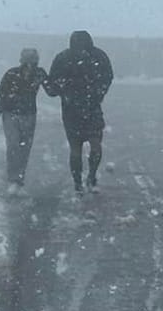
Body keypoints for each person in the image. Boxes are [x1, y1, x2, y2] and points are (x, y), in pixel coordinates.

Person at [45, 31, 115, 193]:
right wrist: (98, 92)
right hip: (90, 107)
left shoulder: (63, 58)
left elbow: (53, 87)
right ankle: (90, 176)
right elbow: (107, 76)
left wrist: (64, 90)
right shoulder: (98, 55)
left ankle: (79, 181)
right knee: (94, 145)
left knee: (76, 148)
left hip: (73, 109)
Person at [0, 48, 46, 188]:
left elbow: (51, 90)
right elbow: (0, 93)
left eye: (32, 61)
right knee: (14, 145)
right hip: (12, 113)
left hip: (26, 114)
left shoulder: (38, 73)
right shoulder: (12, 74)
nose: (30, 64)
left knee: (23, 147)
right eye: (28, 60)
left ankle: (18, 177)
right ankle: (14, 177)